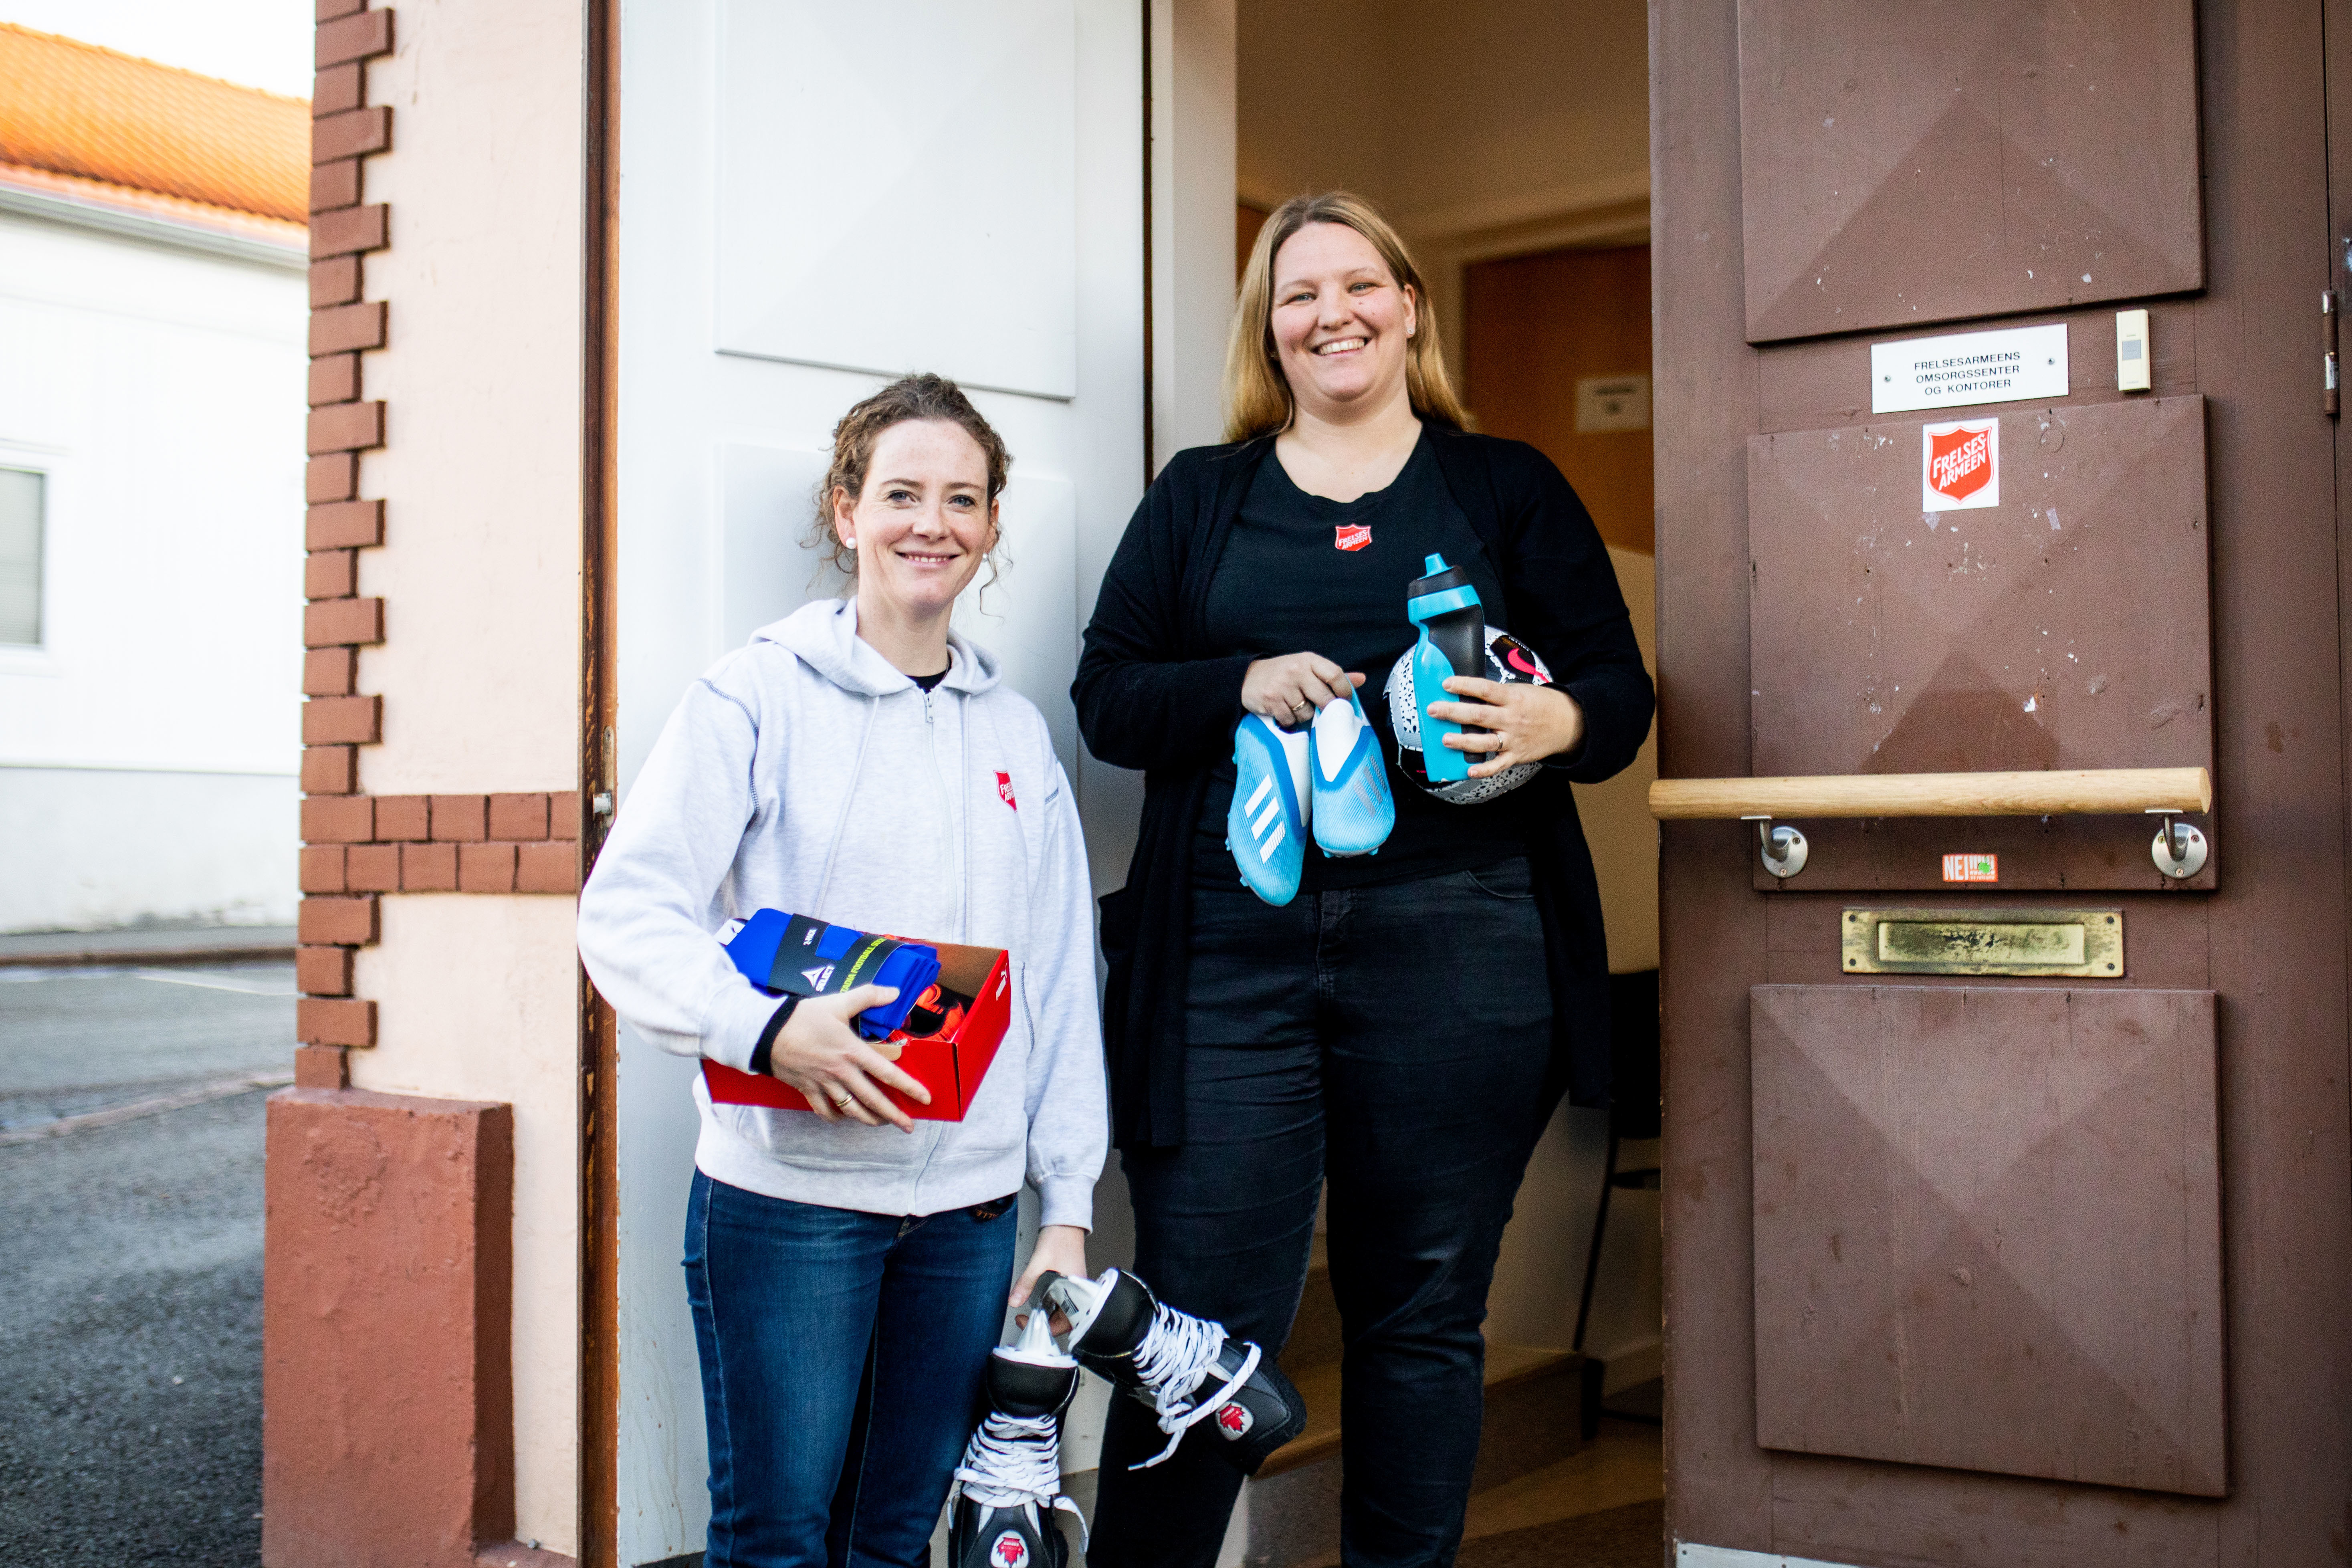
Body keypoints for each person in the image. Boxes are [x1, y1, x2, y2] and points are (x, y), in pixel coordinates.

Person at [1073, 192, 1654, 1565]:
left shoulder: (1505, 486)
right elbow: (1108, 696)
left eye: (1358, 284)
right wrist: (1237, 683)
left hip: (1463, 948)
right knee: (1196, 1336)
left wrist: (1552, 721)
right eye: (1296, 293)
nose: (1330, 312)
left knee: (1420, 1316)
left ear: (1410, 306)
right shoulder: (1202, 497)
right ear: (1267, 332)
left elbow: (1619, 691)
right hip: (1226, 954)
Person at [577, 373, 1107, 1568]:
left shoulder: (1015, 734)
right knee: (778, 1542)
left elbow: (1063, 979)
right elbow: (626, 912)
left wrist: (1064, 1206)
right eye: (903, 492)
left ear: (991, 526)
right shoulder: (753, 695)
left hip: (969, 1217)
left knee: (892, 1539)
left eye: (963, 499)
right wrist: (766, 1028)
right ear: (847, 507)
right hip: (792, 1207)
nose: (934, 522)